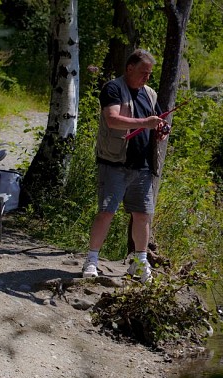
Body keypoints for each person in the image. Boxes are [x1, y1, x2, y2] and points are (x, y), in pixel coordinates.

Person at [82, 49, 169, 283]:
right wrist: (146, 123)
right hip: (114, 163)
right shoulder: (112, 88)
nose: (146, 78)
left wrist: (160, 131)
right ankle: (91, 261)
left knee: (143, 215)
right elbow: (112, 119)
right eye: (143, 72)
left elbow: (157, 123)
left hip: (142, 166)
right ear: (130, 68)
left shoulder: (149, 94)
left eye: (150, 74)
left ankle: (140, 263)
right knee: (106, 213)